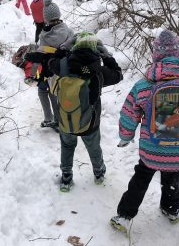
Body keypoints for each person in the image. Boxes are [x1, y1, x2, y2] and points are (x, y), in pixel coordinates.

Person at [110, 30, 179, 235]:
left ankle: (125, 216)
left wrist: (125, 136)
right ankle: (171, 210)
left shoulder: (144, 86)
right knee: (172, 177)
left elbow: (129, 114)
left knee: (140, 180)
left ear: (155, 56)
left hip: (152, 149)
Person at [48, 32, 123, 191]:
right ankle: (98, 172)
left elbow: (50, 62)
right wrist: (107, 55)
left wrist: (63, 48)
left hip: (66, 120)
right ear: (96, 50)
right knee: (93, 146)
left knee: (67, 146)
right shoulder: (99, 72)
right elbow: (118, 75)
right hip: (91, 122)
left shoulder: (63, 66)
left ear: (75, 47)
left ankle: (66, 177)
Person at [25, 0, 74, 131]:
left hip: (47, 70)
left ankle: (49, 118)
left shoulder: (44, 35)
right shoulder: (68, 31)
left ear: (45, 17)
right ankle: (58, 120)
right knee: (55, 92)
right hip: (62, 69)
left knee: (42, 91)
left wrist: (32, 74)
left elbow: (38, 57)